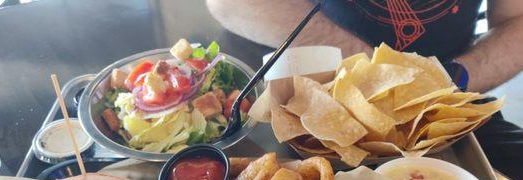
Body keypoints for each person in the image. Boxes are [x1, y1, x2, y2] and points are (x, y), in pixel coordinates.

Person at [206, 0, 523, 92]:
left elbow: (517, 21)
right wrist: (377, 68)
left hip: (444, 96)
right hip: (298, 86)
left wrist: (454, 79)